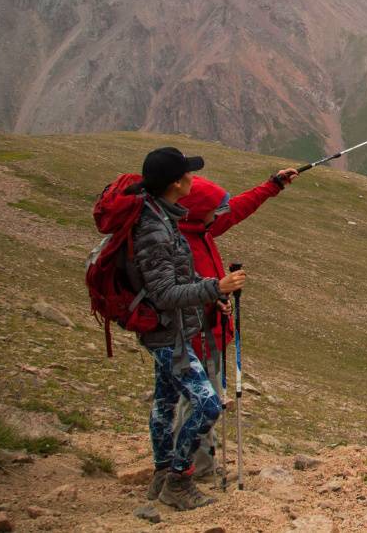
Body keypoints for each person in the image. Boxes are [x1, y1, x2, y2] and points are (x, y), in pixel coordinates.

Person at [126, 146, 246, 511]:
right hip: (167, 333)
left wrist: (210, 296)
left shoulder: (162, 216)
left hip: (168, 329)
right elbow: (163, 292)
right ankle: (179, 479)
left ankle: (162, 475)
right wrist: (215, 288)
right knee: (208, 404)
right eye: (189, 173)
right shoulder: (155, 229)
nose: (194, 178)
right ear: (176, 183)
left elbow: (177, 275)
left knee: (164, 404)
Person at [171, 166, 299, 479]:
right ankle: (192, 470)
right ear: (198, 212)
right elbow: (175, 291)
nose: (220, 214)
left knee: (196, 400)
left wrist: (273, 185)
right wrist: (215, 293)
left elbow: (236, 210)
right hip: (194, 337)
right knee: (203, 403)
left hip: (208, 333)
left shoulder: (198, 230)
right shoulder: (179, 243)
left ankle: (194, 463)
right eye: (214, 210)